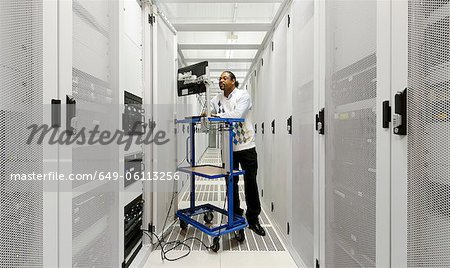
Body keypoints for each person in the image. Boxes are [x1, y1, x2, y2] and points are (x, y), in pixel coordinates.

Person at [210, 71, 265, 236]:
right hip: (228, 148)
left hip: (246, 146)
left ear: (233, 81)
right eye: (220, 78)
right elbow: (210, 117)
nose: (221, 80)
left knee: (250, 183)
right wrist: (210, 115)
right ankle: (235, 216)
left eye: (225, 78)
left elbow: (237, 116)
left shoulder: (243, 95)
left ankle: (253, 218)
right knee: (230, 182)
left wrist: (216, 116)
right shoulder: (215, 100)